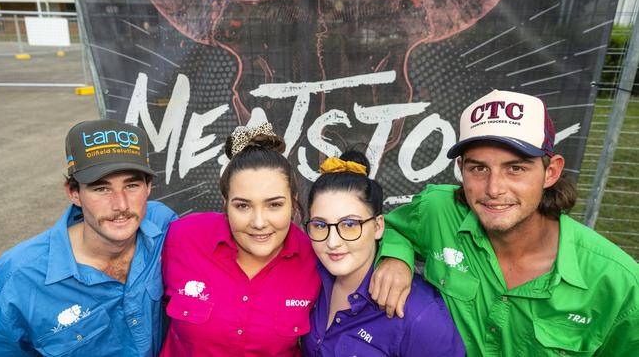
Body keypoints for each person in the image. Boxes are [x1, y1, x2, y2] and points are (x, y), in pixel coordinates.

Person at [374, 90, 639, 355]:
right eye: (478, 168)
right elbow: (394, 228)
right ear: (461, 168)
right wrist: (395, 258)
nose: (494, 189)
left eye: (516, 169)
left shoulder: (619, 285)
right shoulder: (437, 210)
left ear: (551, 172)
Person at [0, 119, 177, 356]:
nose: (120, 204)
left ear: (148, 188)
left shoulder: (165, 225)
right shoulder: (20, 276)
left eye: (131, 185)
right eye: (101, 189)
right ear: (74, 193)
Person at [159, 123, 320, 356]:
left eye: (274, 205)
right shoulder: (181, 238)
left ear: (293, 203)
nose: (258, 222)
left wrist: (392, 257)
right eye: (243, 206)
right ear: (225, 205)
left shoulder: (316, 259)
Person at [301, 152, 465, 356]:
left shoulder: (420, 314)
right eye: (320, 225)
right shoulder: (309, 279)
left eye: (350, 224)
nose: (332, 242)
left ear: (378, 226)